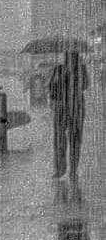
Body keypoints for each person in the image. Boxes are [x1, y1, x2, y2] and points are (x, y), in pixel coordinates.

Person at [48, 50, 89, 187]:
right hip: (61, 108)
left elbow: (85, 85)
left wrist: (74, 76)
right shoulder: (58, 68)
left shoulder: (81, 69)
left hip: (76, 107)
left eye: (73, 56)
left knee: (75, 139)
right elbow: (51, 87)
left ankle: (73, 169)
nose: (70, 58)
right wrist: (62, 76)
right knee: (59, 139)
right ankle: (60, 168)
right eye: (68, 56)